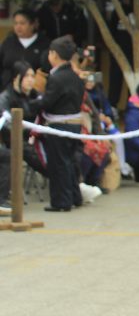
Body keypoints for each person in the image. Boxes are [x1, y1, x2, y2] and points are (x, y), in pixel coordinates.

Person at [33, 37, 85, 211]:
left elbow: (48, 102)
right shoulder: (75, 76)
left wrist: (33, 103)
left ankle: (61, 201)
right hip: (75, 124)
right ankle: (75, 197)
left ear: (54, 55)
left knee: (58, 164)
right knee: (70, 162)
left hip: (59, 125)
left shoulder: (57, 77)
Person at [0, 62, 46, 211]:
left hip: (35, 137)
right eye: (26, 76)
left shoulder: (36, 95)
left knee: (58, 144)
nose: (31, 80)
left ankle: (72, 185)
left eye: (32, 76)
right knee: (19, 152)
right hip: (13, 139)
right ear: (16, 78)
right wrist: (28, 132)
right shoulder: (5, 97)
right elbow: (6, 126)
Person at [0, 9, 50, 87]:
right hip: (7, 88)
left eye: (22, 23)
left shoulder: (44, 44)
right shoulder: (8, 42)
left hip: (34, 89)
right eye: (16, 23)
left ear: (33, 24)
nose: (18, 26)